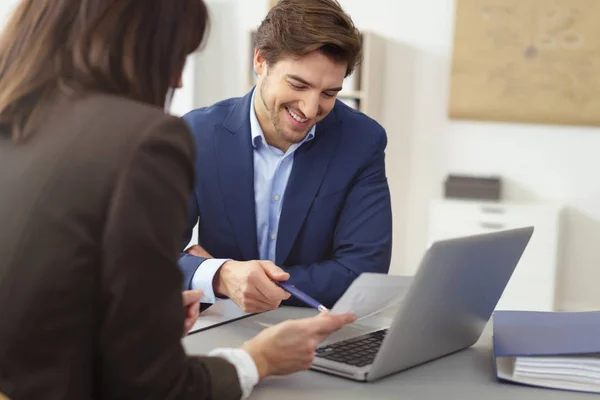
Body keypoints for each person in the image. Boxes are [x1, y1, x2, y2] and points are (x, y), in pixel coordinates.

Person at [0, 1, 355, 399]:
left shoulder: (19, 123)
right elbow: (155, 387)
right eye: (175, 55)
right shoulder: (146, 141)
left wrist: (138, 321)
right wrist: (259, 360)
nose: (178, 81)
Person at [179, 0, 393, 313]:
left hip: (313, 328)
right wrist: (222, 276)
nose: (309, 108)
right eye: (298, 84)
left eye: (329, 93)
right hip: (222, 325)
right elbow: (147, 253)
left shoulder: (362, 141)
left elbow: (363, 272)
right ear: (260, 60)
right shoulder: (198, 133)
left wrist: (237, 279)